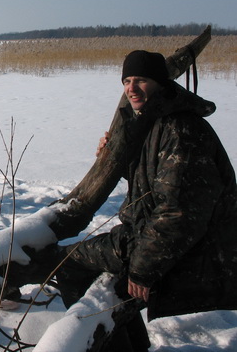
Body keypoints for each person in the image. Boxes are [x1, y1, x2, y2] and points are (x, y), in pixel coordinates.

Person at [54, 50, 237, 351]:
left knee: (69, 264)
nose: (132, 89)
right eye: (126, 81)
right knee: (81, 263)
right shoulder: (154, 122)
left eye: (141, 80)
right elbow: (153, 181)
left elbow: (179, 213)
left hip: (199, 253)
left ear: (160, 83)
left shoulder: (180, 130)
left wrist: (143, 269)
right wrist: (115, 155)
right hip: (157, 237)